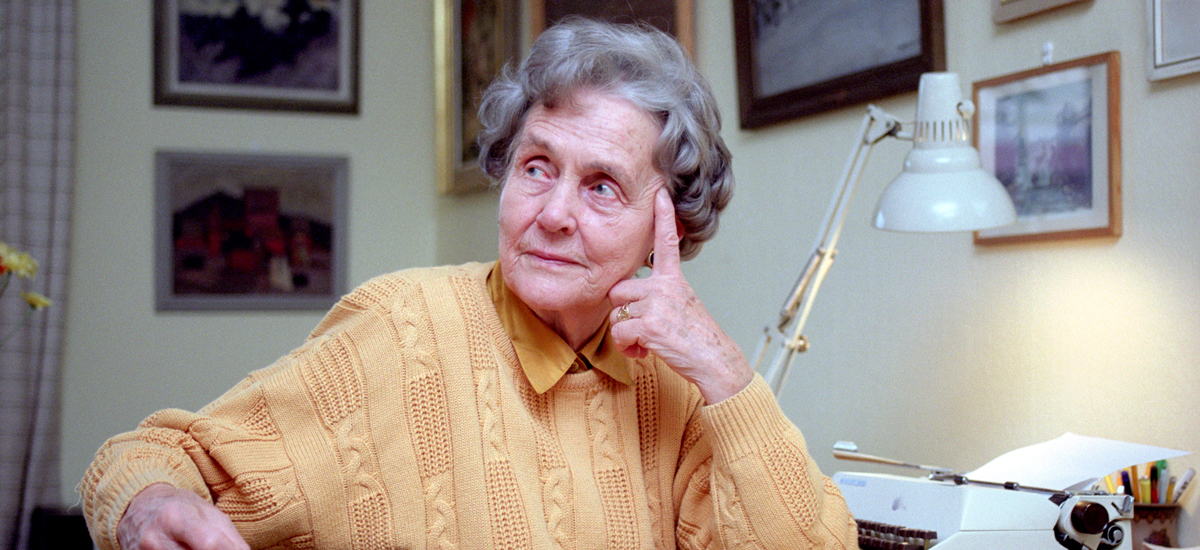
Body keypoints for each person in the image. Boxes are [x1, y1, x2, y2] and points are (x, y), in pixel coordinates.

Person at [82, 18, 858, 550]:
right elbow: (152, 456)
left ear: (671, 227)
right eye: (537, 167)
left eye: (601, 187)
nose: (552, 214)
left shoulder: (682, 391)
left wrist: (725, 374)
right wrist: (151, 505)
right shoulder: (399, 328)